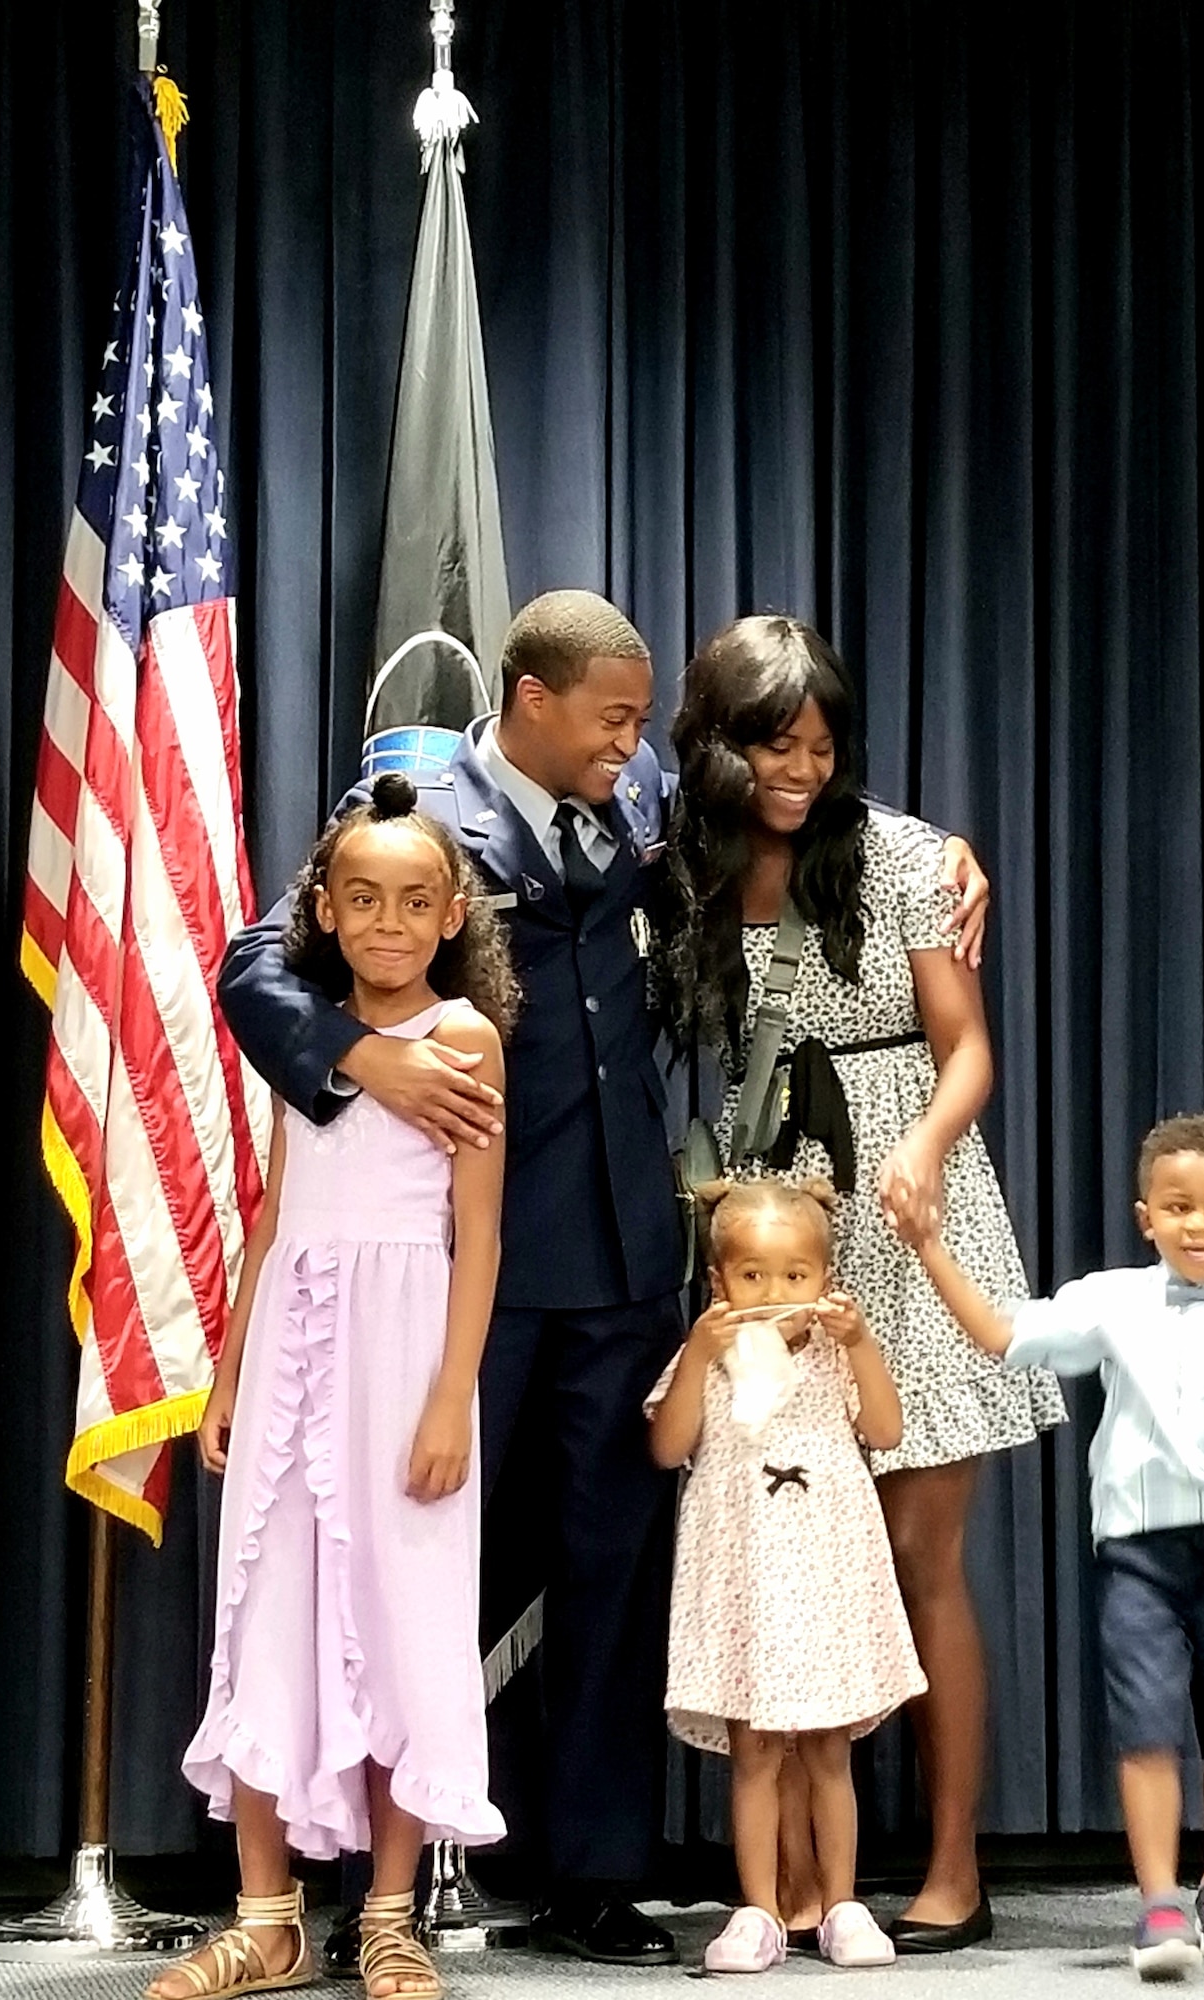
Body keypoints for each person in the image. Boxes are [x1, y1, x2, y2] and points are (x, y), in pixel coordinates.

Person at [218, 591, 992, 1967]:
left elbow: (792, 815)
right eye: (615, 718)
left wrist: (947, 859)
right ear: (532, 700)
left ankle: (593, 1874)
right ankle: (375, 1889)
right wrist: (361, 1056)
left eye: (643, 723)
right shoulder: (418, 795)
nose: (634, 744)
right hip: (469, 1259)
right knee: (413, 1571)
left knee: (610, 1573)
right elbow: (257, 964)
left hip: (628, 1252)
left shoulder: (639, 804)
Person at [658, 614, 1065, 1952]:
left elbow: (967, 1051)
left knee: (917, 1552)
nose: (804, 770)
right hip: (772, 1218)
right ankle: (776, 1886)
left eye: (823, 746)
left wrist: (923, 1147)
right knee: (773, 1546)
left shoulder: (900, 858)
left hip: (908, 1202)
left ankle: (951, 1868)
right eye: (777, 744)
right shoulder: (689, 869)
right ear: (720, 746)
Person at [151, 773, 514, 2000]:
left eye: (415, 901)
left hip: (406, 1354)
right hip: (293, 1358)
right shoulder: (302, 1036)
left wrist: (449, 1393)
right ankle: (267, 1917)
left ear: (454, 913)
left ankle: (389, 1919)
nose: (388, 923)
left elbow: (480, 1233)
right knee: (267, 1615)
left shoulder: (460, 1038)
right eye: (361, 899)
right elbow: (270, 1217)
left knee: (402, 1619)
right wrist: (228, 1375)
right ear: (326, 909)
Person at [898, 1113, 1204, 1981]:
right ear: (1146, 1217)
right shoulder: (1110, 1301)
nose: (1196, 1225)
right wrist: (929, 1246)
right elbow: (1001, 1336)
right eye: (1177, 1206)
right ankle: (1157, 1903)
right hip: (1141, 1557)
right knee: (1143, 1724)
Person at [647, 1179, 924, 1973]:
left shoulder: (838, 1353)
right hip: (743, 1586)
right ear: (719, 1283)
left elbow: (884, 1429)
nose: (775, 1293)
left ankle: (841, 1906)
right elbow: (667, 1449)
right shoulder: (707, 1357)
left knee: (829, 1753)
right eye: (754, 1276)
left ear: (825, 1283)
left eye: (795, 1276)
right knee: (756, 1753)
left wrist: (862, 1342)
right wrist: (699, 1351)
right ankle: (759, 1910)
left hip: (827, 1578)